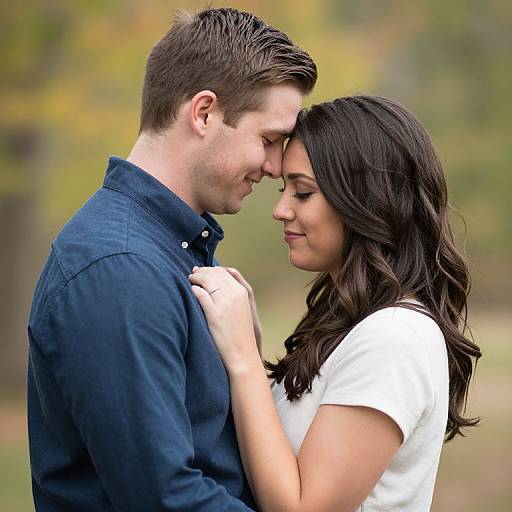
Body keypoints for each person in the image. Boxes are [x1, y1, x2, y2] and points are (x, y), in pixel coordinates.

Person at [27, 7, 316, 511]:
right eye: (268, 140)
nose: (275, 167)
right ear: (203, 112)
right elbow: (164, 498)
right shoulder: (119, 268)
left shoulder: (166, 248)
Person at [189, 95, 482, 512]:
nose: (280, 209)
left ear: (365, 200)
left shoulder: (396, 337)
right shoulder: (357, 324)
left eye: (303, 192)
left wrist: (244, 362)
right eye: (283, 188)